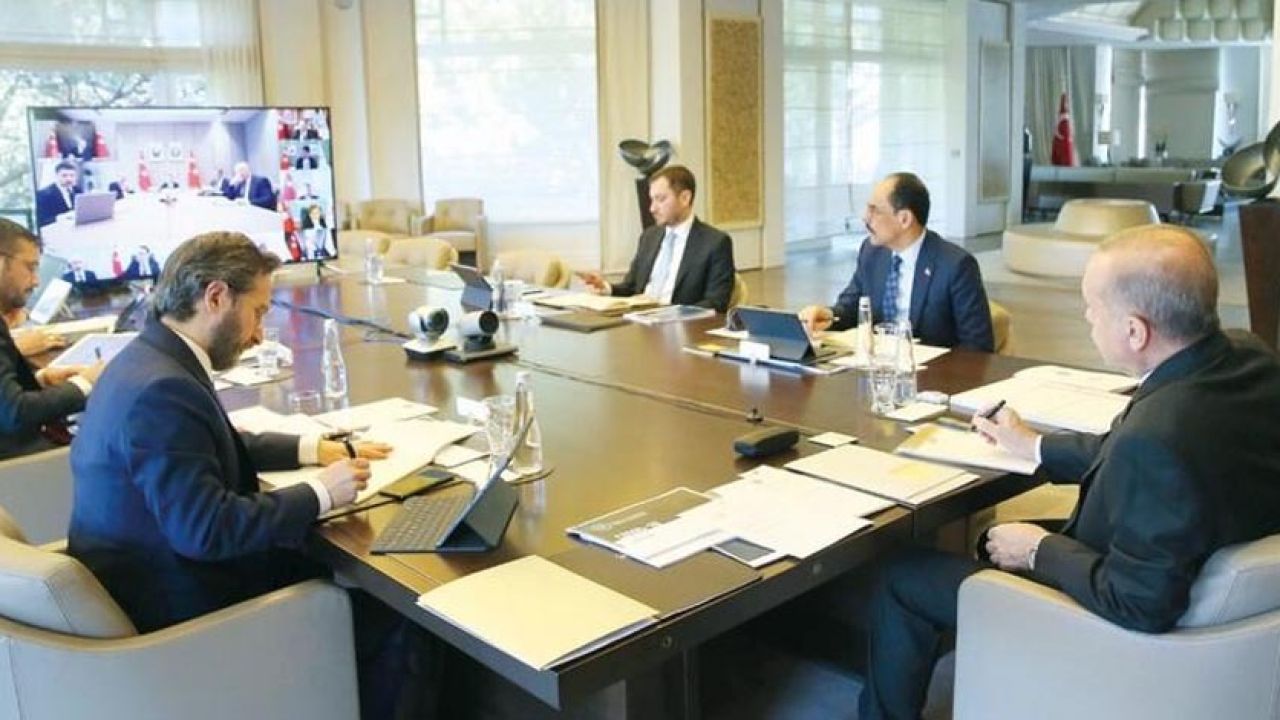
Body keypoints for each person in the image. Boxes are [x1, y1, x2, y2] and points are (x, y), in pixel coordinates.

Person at [857, 224, 1280, 720]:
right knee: (990, 541)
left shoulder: (1156, 436)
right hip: (1192, 553)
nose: (1086, 317)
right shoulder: (1246, 357)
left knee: (903, 575)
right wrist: (1032, 444)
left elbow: (1140, 602)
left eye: (1092, 307)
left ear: (1135, 331)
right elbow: (1135, 456)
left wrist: (1039, 550)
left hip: (1118, 625)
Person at [799, 172, 994, 351]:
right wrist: (827, 315)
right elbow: (851, 308)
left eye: (874, 210)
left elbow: (978, 346)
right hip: (877, 367)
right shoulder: (872, 252)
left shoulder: (955, 265)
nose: (865, 217)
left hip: (932, 371)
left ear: (904, 219)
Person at [0, 219, 102, 459]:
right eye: (30, 268)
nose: (36, 281)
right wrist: (85, 383)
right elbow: (15, 413)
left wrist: (41, 379)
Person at [578, 165, 736, 312]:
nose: (652, 208)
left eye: (660, 199)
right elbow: (632, 287)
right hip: (637, 321)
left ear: (685, 198)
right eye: (652, 200)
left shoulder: (715, 243)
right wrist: (606, 287)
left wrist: (669, 315)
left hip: (679, 325)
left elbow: (716, 303)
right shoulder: (649, 237)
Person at [35, 160, 79, 228]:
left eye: (72, 175)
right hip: (55, 230)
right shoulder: (44, 194)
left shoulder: (77, 190)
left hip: (75, 228)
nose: (69, 179)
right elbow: (42, 220)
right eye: (64, 176)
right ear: (56, 176)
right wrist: (61, 218)